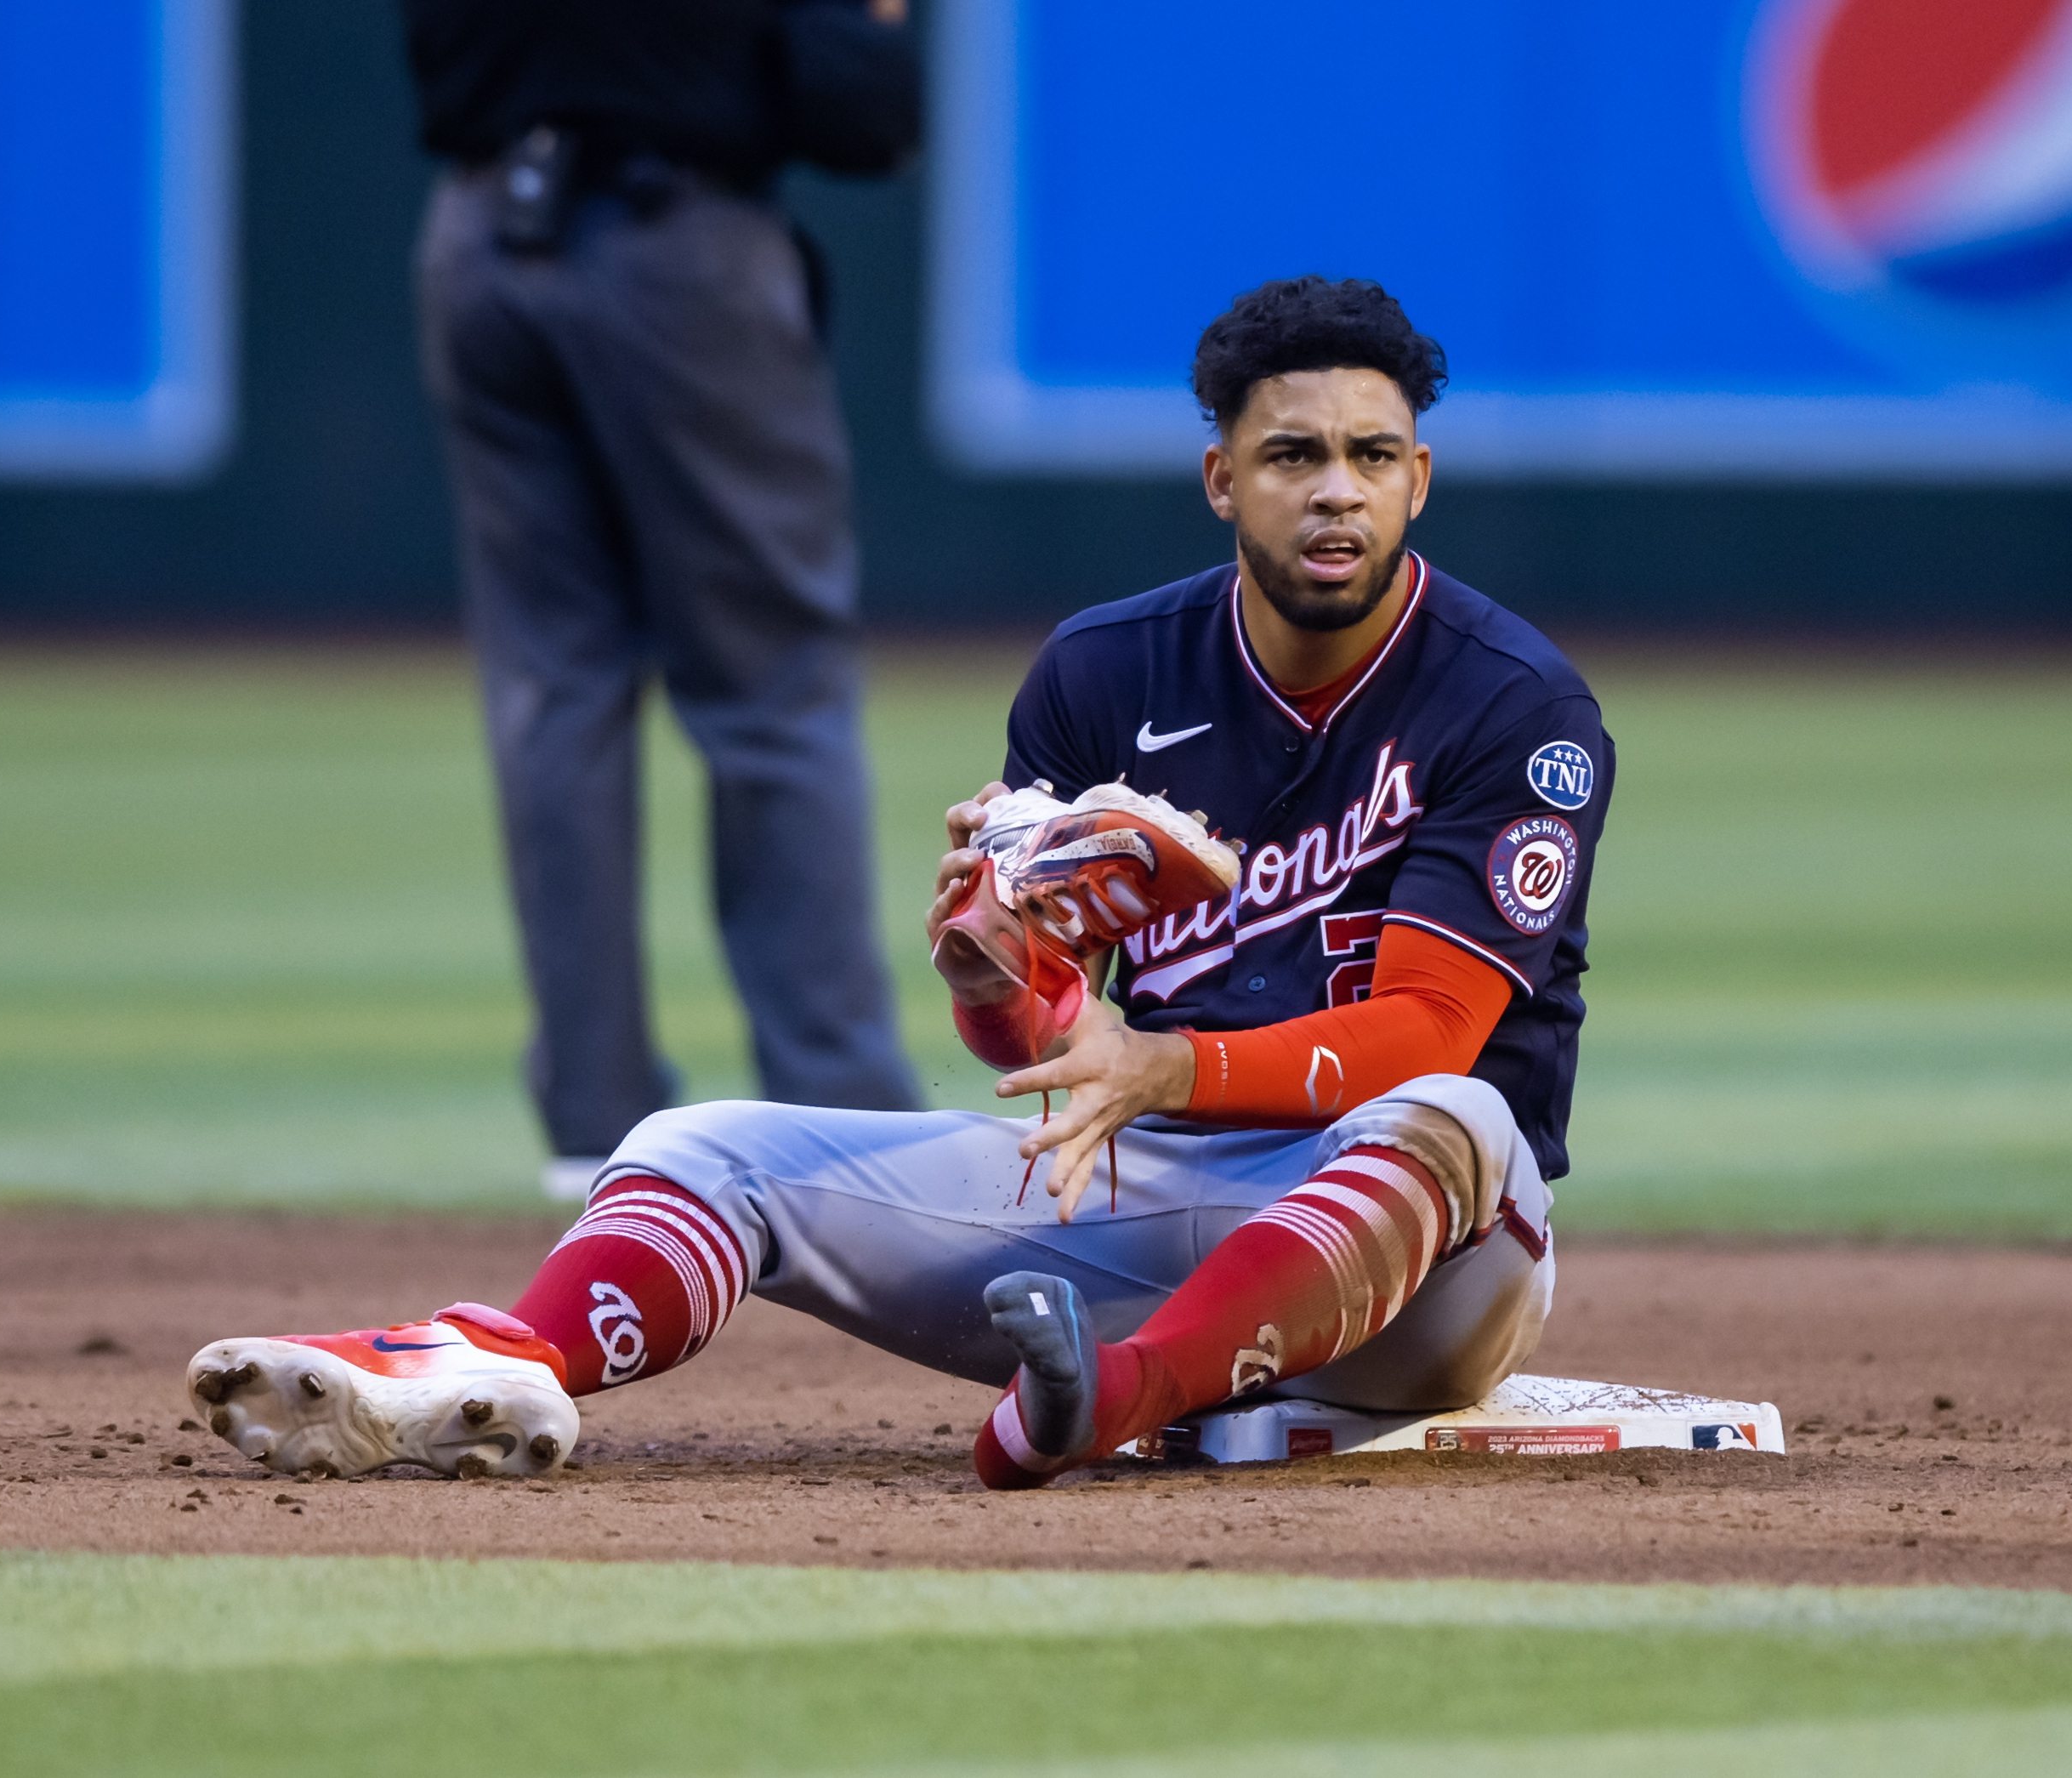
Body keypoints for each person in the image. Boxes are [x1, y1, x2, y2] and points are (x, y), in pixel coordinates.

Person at [184, 277, 1616, 1488]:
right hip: (1151, 1190)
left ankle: (1117, 1399)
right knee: (703, 1145)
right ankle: (487, 1372)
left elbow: (1429, 1031)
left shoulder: (1510, 708)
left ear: (1418, 480)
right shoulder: (1107, 672)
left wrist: (1159, 1063)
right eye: (1296, 454)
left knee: (1454, 1106)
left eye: (1374, 456)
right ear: (1222, 478)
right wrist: (999, 977)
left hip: (1430, 1262)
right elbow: (1045, 1053)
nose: (1336, 491)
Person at [400, 0, 926, 1199]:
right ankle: (840, 1112)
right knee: (774, 693)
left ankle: (594, 1121)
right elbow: (862, 110)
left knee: (553, 689)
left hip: (480, 234)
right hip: (674, 240)